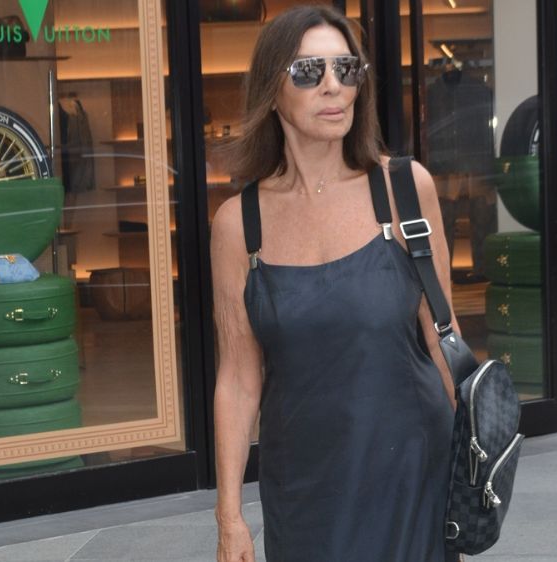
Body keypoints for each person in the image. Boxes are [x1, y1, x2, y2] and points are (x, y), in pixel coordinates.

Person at [210, 6, 461, 561]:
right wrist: (229, 516)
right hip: (303, 487)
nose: (333, 86)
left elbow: (442, 337)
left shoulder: (404, 189)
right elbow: (238, 378)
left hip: (412, 472)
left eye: (346, 69)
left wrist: (468, 477)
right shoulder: (238, 225)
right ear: (272, 92)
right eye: (309, 72)